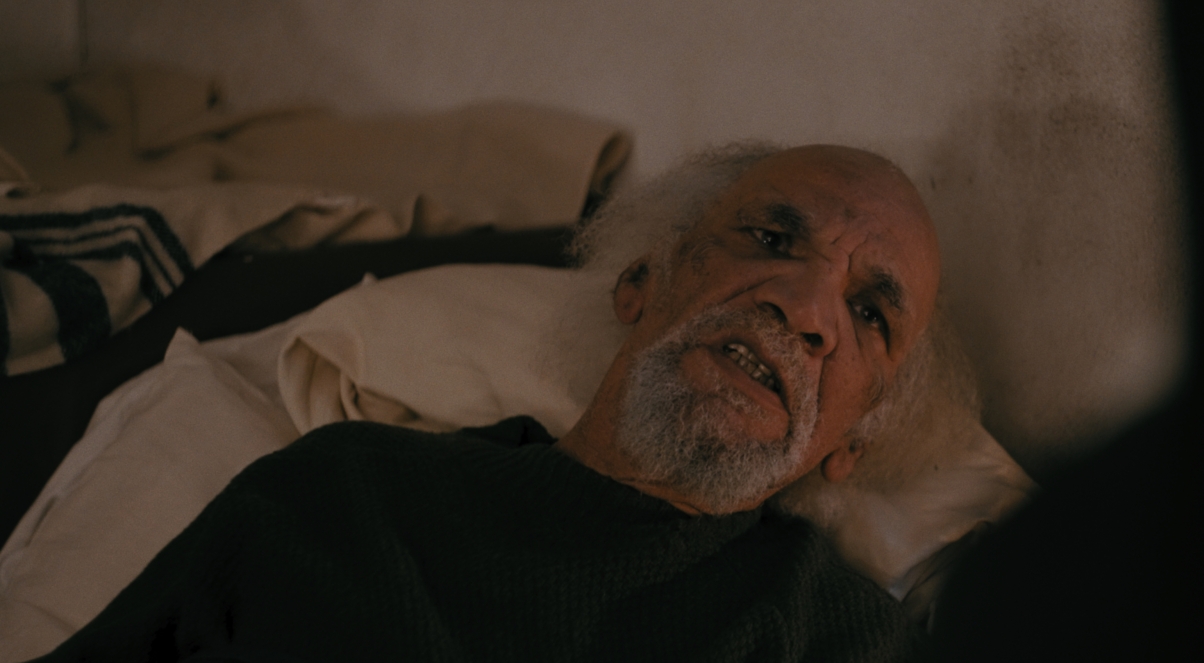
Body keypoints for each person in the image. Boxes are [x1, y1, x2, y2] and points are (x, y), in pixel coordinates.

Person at [29, 143, 944, 662]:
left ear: (854, 442)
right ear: (642, 279)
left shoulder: (849, 643)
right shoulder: (341, 492)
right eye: (772, 237)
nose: (807, 308)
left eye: (871, 314)